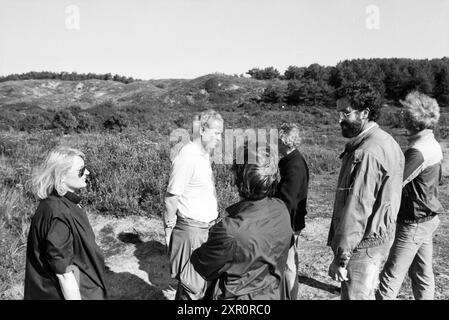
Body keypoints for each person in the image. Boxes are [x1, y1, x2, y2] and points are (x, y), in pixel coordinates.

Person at [327, 81, 404, 300]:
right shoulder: (387, 141)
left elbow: (357, 209)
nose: (339, 119)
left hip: (363, 246)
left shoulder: (367, 152)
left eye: (346, 113)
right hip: (379, 237)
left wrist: (342, 257)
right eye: (338, 112)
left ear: (365, 113)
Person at [190, 143, 293, 300]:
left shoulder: (229, 230)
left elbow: (204, 265)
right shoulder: (281, 209)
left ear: (238, 180)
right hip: (274, 293)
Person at [376, 92, 444, 300]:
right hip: (428, 218)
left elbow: (394, 183)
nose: (402, 118)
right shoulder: (433, 143)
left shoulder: (417, 151)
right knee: (422, 273)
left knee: (390, 275)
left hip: (413, 222)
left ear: (413, 120)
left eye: (405, 115)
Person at [24, 146, 108, 300]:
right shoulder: (58, 214)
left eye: (86, 168)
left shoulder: (61, 203)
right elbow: (64, 274)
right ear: (61, 176)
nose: (87, 173)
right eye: (81, 170)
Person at [164, 109, 224, 300]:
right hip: (192, 230)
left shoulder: (203, 154)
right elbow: (171, 197)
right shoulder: (187, 157)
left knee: (203, 283)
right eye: (217, 133)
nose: (220, 138)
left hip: (206, 228)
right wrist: (169, 232)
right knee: (191, 286)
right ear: (203, 130)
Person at [276, 123, 309, 300]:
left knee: (288, 264)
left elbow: (287, 201)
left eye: (277, 140)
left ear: (283, 140)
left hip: (290, 222)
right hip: (291, 220)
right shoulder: (292, 160)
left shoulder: (294, 165)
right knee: (290, 261)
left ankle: (290, 296)